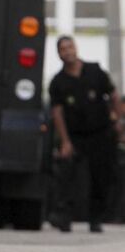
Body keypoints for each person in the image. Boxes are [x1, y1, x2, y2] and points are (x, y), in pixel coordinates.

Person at [47, 35, 122, 233]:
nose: (68, 51)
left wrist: (119, 121)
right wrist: (65, 141)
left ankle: (96, 219)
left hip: (100, 132)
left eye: (70, 47)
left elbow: (113, 95)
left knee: (101, 176)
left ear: (76, 48)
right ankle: (63, 216)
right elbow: (57, 112)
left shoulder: (95, 71)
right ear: (59, 54)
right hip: (75, 135)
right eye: (63, 49)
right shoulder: (58, 82)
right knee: (67, 175)